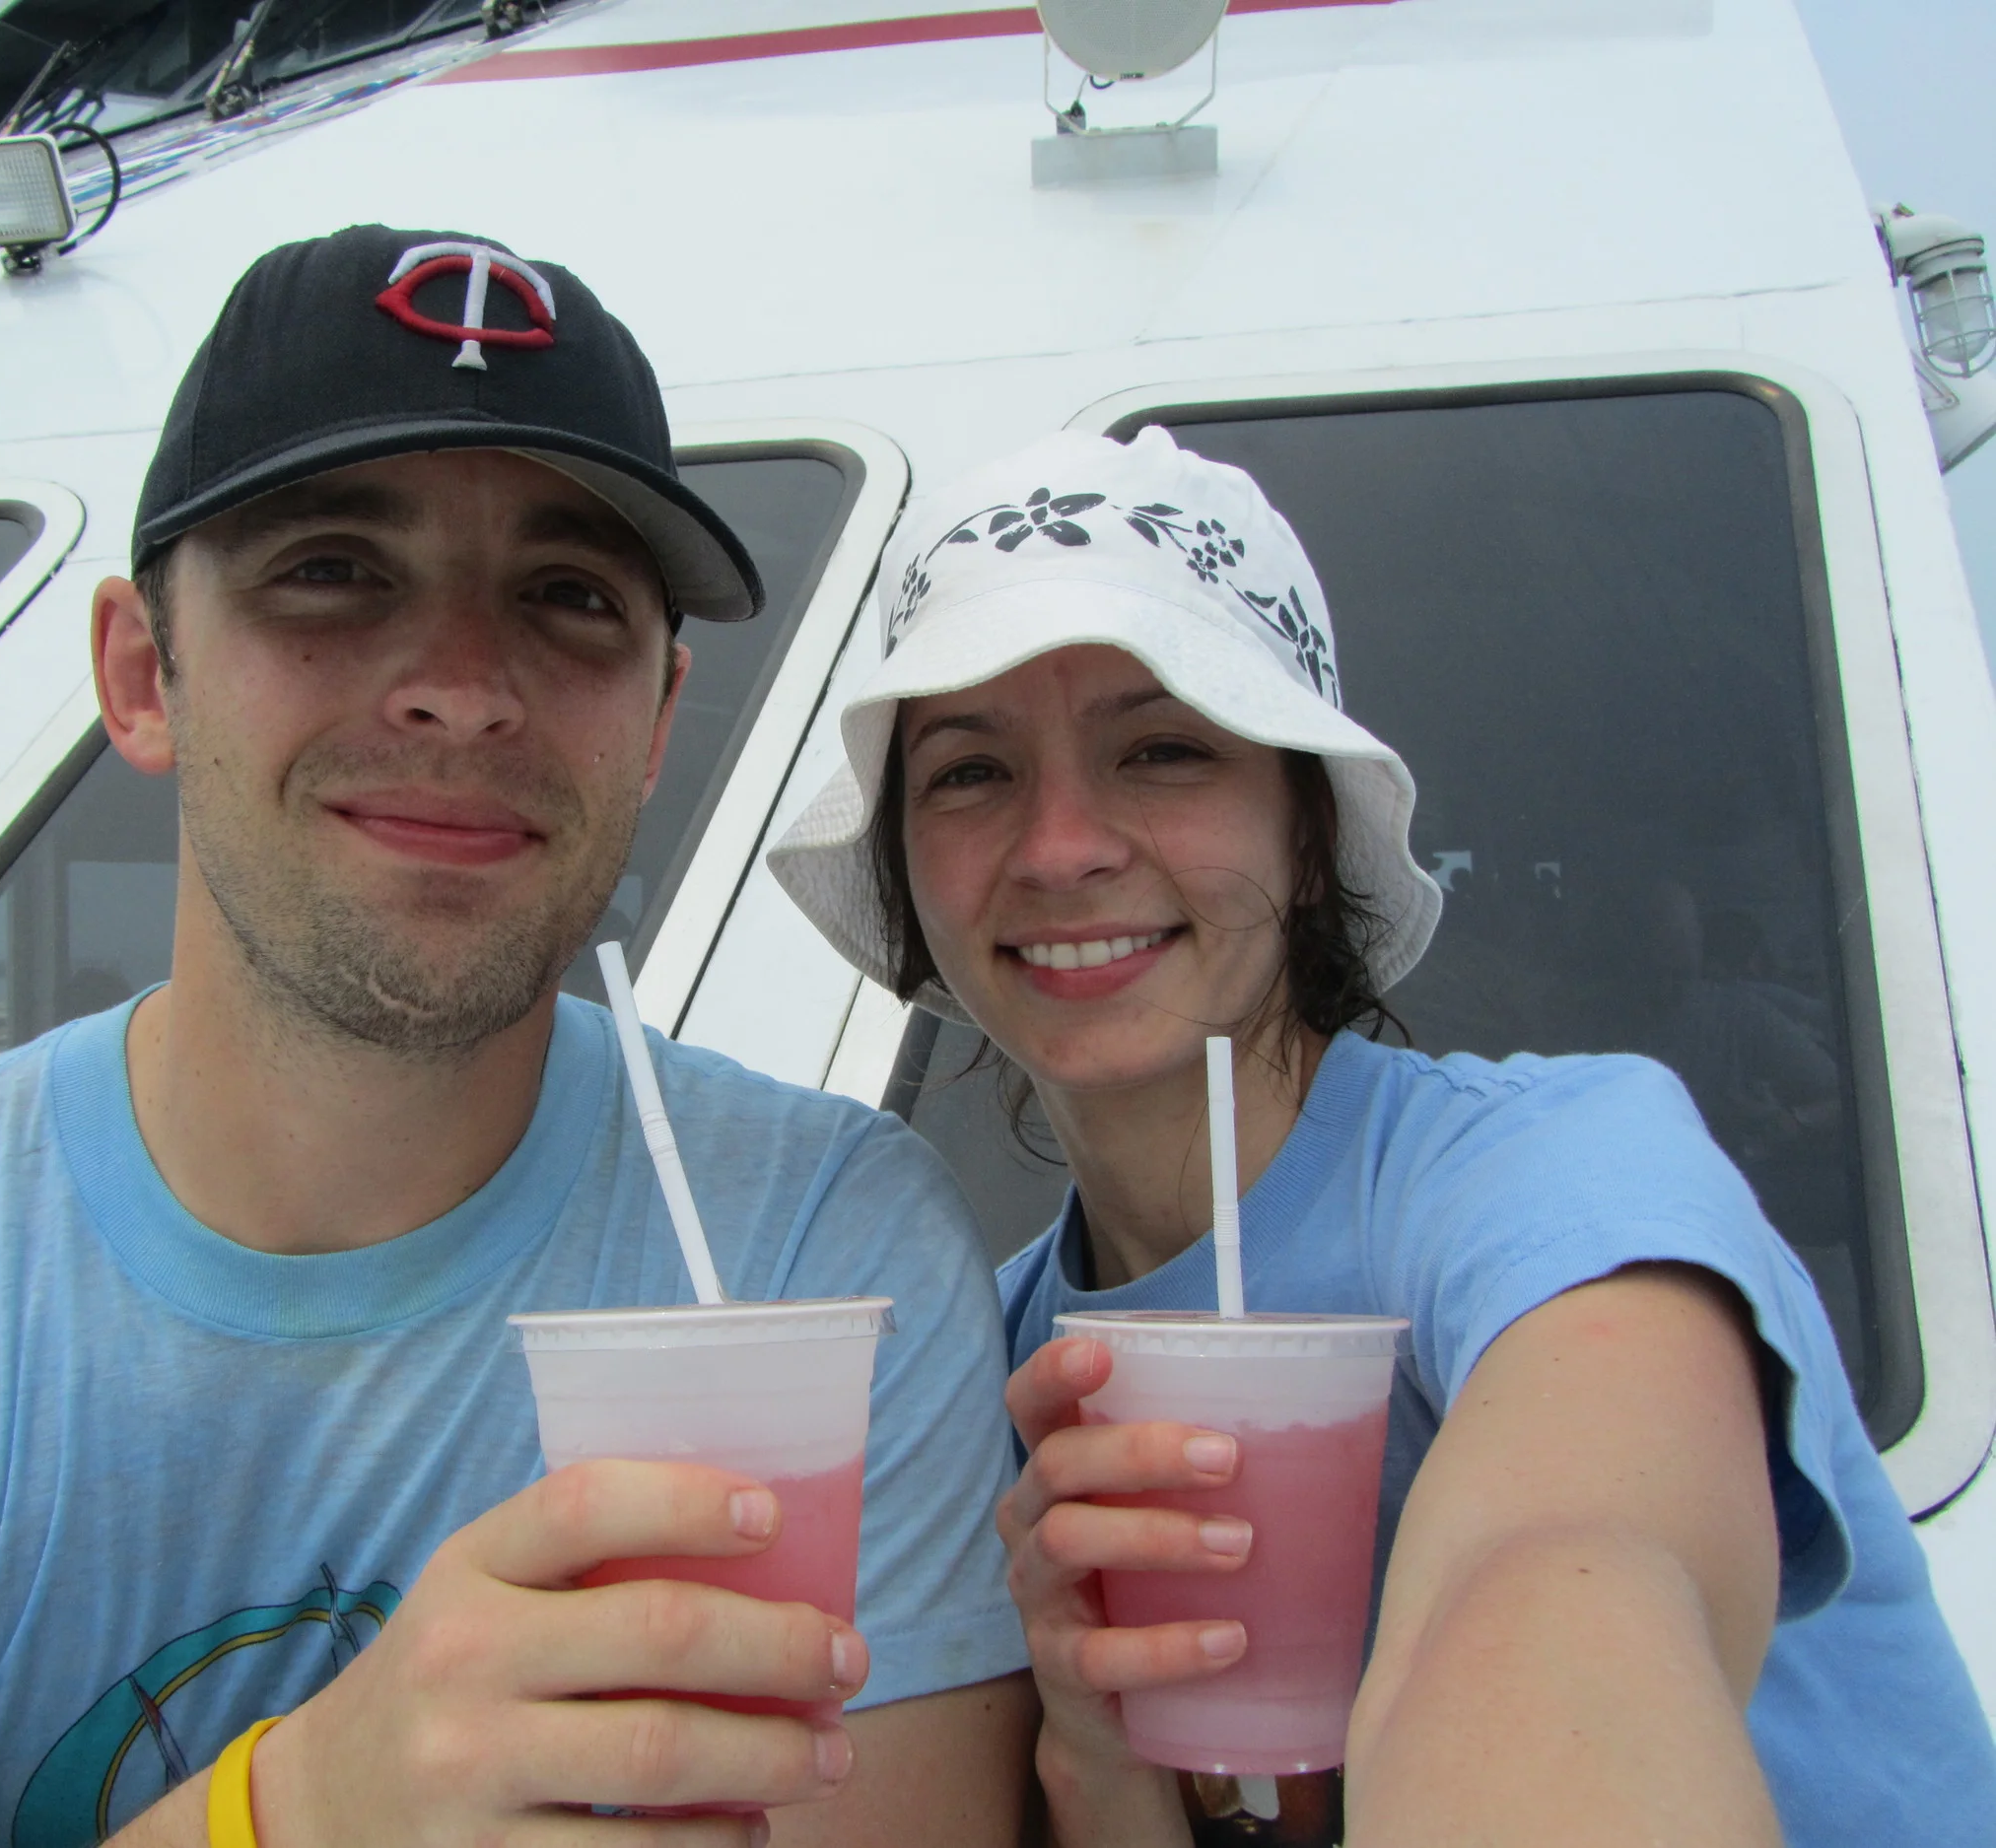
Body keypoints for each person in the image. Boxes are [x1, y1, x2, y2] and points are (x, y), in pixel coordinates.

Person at [0, 224, 1035, 1848]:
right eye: (333, 570)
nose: (464, 689)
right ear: (144, 675)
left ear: (658, 722)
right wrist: (303, 1808)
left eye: (566, 597)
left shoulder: (819, 1250)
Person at [767, 427, 1996, 1845]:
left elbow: (1563, 1578)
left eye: (1162, 750)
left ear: (1309, 831)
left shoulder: (1559, 1178)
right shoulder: (991, 1370)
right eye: (970, 773)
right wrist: (1104, 1775)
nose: (1060, 846)